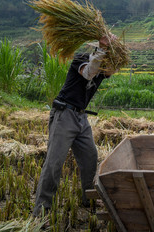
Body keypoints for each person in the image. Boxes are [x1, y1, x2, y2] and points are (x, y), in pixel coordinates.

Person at [33, 34, 117, 218]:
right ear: (96, 49)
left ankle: (89, 197)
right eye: (102, 50)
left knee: (90, 157)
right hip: (65, 114)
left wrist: (115, 51)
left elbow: (110, 71)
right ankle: (41, 210)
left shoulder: (102, 66)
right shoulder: (81, 59)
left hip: (81, 117)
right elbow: (88, 73)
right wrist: (103, 49)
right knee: (54, 162)